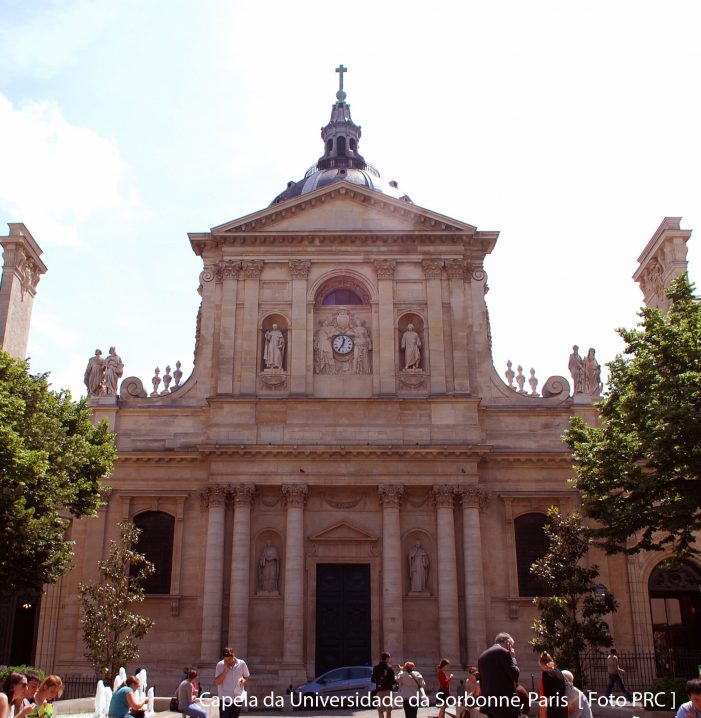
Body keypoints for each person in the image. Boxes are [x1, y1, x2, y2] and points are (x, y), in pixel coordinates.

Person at [477, 632, 520, 718]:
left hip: (488, 703)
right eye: (511, 645)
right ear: (507, 642)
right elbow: (515, 674)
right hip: (504, 704)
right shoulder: (503, 652)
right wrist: (513, 657)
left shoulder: (482, 656)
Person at [214, 647, 250, 718]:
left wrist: (244, 681)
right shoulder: (220, 665)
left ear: (233, 655)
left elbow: (246, 677)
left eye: (229, 659)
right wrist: (225, 671)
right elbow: (217, 682)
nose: (228, 662)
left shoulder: (242, 664)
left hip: (238, 698)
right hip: (224, 698)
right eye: (226, 660)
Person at [538, 652, 567, 718]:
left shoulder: (546, 673)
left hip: (552, 710)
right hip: (563, 708)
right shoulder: (559, 672)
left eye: (541, 666)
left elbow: (546, 697)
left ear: (543, 664)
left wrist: (543, 715)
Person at [371, 651, 396, 718]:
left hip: (379, 691)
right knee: (388, 710)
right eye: (389, 658)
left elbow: (372, 680)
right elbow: (393, 681)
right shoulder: (390, 668)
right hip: (388, 691)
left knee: (380, 710)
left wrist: (379, 681)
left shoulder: (376, 668)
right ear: (387, 658)